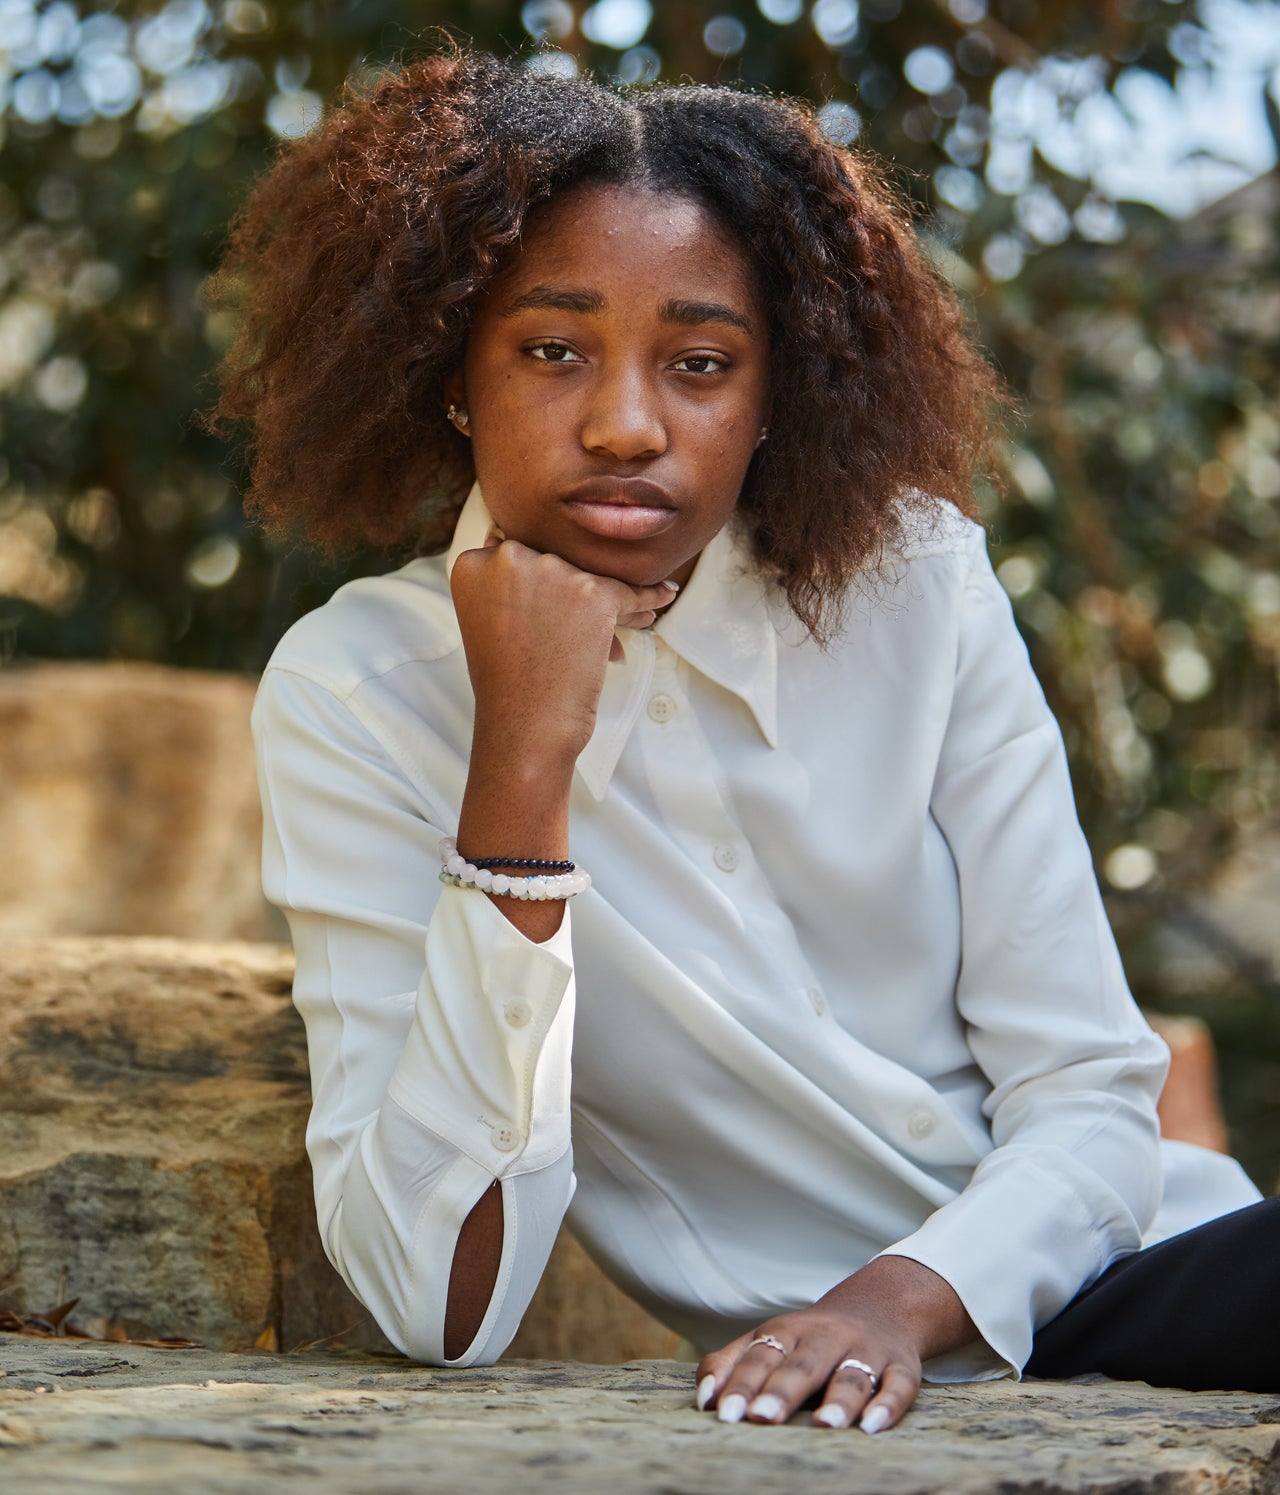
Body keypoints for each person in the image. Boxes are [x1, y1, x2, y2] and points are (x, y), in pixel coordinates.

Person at [205, 46, 1270, 1433]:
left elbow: (1086, 1084)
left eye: (702, 364)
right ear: (451, 372)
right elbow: (436, 1305)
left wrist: (896, 1298)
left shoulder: (917, 584)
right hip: (840, 1387)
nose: (628, 423)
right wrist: (520, 768)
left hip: (1142, 1277)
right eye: (550, 349)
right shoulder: (357, 691)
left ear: (773, 396)